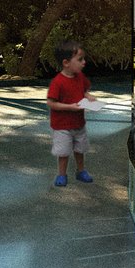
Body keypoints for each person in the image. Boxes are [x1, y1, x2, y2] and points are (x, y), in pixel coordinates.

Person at [46, 40, 96, 187]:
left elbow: (84, 91)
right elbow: (51, 102)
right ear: (66, 63)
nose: (84, 62)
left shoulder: (80, 77)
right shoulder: (58, 82)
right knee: (63, 151)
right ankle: (61, 174)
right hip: (62, 126)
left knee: (80, 149)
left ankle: (81, 171)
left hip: (79, 124)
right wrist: (70, 107)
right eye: (80, 59)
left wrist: (88, 97)